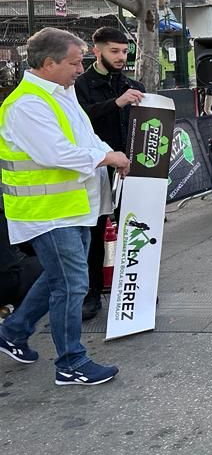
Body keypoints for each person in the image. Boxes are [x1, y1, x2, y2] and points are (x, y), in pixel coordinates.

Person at [0, 27, 130, 385]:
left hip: (72, 207)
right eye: (74, 62)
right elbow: (56, 153)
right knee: (72, 284)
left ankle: (14, 331)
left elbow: (85, 136)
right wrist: (107, 156)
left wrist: (108, 154)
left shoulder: (61, 93)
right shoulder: (26, 105)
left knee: (58, 278)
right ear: (48, 63)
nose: (80, 69)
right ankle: (71, 361)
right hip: (47, 214)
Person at [73, 26, 145, 321]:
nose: (121, 56)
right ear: (97, 50)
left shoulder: (131, 83)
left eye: (125, 51)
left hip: (129, 167)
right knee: (95, 231)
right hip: (97, 167)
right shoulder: (81, 84)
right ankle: (92, 292)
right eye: (114, 51)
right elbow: (80, 119)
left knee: (135, 227)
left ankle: (136, 284)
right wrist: (116, 102)